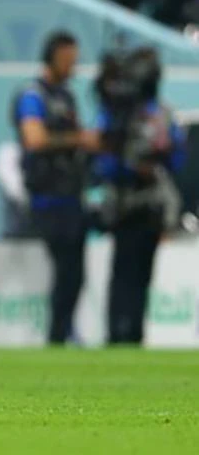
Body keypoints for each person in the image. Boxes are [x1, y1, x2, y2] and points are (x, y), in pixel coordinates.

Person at [93, 48, 186, 345]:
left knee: (140, 273)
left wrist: (158, 161)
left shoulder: (160, 114)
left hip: (151, 204)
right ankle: (117, 332)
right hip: (124, 202)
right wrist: (131, 167)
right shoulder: (119, 114)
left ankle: (132, 333)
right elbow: (104, 158)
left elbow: (177, 158)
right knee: (123, 271)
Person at [11, 31, 96, 345]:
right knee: (63, 270)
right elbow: (33, 138)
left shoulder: (67, 96)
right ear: (52, 57)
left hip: (72, 195)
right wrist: (78, 139)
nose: (73, 66)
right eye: (67, 60)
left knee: (75, 272)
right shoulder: (33, 95)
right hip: (47, 196)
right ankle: (56, 335)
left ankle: (65, 331)